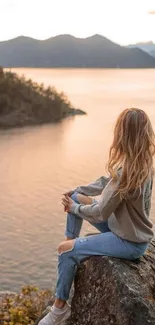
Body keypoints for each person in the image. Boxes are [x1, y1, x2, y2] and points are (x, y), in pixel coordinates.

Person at [39, 108, 155, 325]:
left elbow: (102, 211)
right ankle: (70, 245)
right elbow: (105, 181)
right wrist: (78, 191)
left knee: (64, 250)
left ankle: (60, 308)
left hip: (128, 241)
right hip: (126, 228)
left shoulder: (126, 174)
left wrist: (74, 208)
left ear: (122, 134)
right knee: (76, 197)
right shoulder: (142, 163)